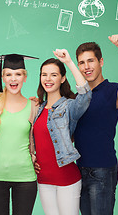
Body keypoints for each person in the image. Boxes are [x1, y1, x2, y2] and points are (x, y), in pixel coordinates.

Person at [73, 33, 118, 215]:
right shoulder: (77, 97)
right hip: (78, 170)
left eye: (91, 61)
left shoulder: (113, 91)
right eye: (81, 62)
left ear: (101, 62)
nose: (86, 67)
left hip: (102, 171)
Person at [32, 49, 91, 215]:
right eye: (44, 75)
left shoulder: (69, 107)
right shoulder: (37, 108)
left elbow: (85, 95)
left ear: (62, 78)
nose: (48, 79)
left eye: (53, 75)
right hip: (43, 180)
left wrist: (69, 62)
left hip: (67, 179)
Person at [0, 54, 38, 215]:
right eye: (8, 74)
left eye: (18, 74)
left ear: (25, 77)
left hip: (25, 178)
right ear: (3, 77)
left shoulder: (34, 106)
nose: (13, 79)